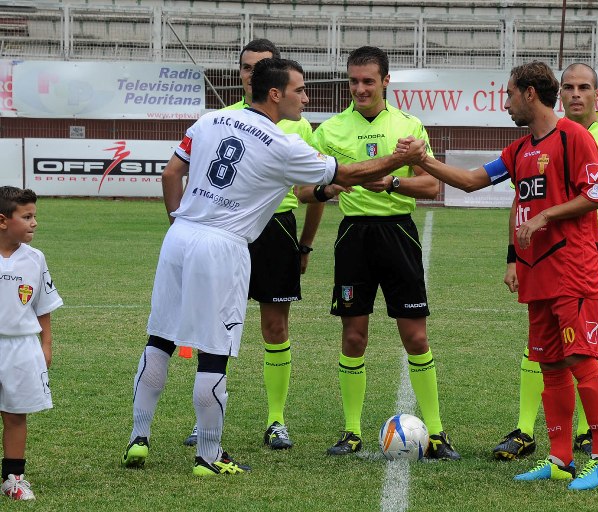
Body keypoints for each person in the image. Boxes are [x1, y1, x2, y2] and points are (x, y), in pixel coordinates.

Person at [120, 57, 427, 476]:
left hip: (180, 236)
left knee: (160, 339)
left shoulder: (209, 121)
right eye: (300, 90)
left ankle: (138, 439)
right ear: (276, 94)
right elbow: (351, 172)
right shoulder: (281, 144)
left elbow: (173, 170)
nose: (306, 97)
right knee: (214, 352)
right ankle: (209, 457)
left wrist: (180, 219)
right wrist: (398, 159)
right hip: (223, 245)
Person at [400, 61, 598, 489]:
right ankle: (559, 459)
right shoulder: (519, 151)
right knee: (550, 364)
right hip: (538, 273)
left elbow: (597, 194)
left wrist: (545, 218)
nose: (505, 104)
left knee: (580, 360)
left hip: (573, 267)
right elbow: (468, 181)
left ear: (530, 94)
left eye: (509, 95)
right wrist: (421, 159)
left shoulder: (573, 138)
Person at [182, 38, 347, 451]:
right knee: (212, 326)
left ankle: (276, 420)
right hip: (224, 232)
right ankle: (205, 418)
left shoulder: (297, 123)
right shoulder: (219, 119)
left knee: (275, 326)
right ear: (240, 74)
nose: (252, 73)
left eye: (262, 66)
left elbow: (311, 188)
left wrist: (305, 245)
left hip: (276, 230)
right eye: (246, 67)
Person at [493, 62, 598, 460]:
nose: (576, 94)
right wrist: (513, 256)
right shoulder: (541, 136)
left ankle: (590, 438)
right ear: (556, 94)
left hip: (597, 245)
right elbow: (523, 198)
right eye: (569, 87)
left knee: (584, 348)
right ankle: (527, 430)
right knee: (543, 348)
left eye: (584, 87)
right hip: (544, 245)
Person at [312, 46, 460, 460]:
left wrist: (391, 184)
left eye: (368, 81)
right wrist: (329, 188)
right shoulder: (329, 131)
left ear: (385, 82)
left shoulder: (409, 127)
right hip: (354, 238)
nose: (360, 88)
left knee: (415, 336)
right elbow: (306, 190)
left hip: (399, 234)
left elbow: (431, 186)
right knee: (353, 335)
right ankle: (352, 431)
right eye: (354, 81)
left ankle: (435, 433)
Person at [0, 187, 63, 500]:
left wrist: (46, 344)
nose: (34, 223)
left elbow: (43, 306)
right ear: (3, 221)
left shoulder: (35, 259)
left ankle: (13, 479)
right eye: (26, 217)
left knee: (15, 414)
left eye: (34, 216)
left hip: (22, 346)